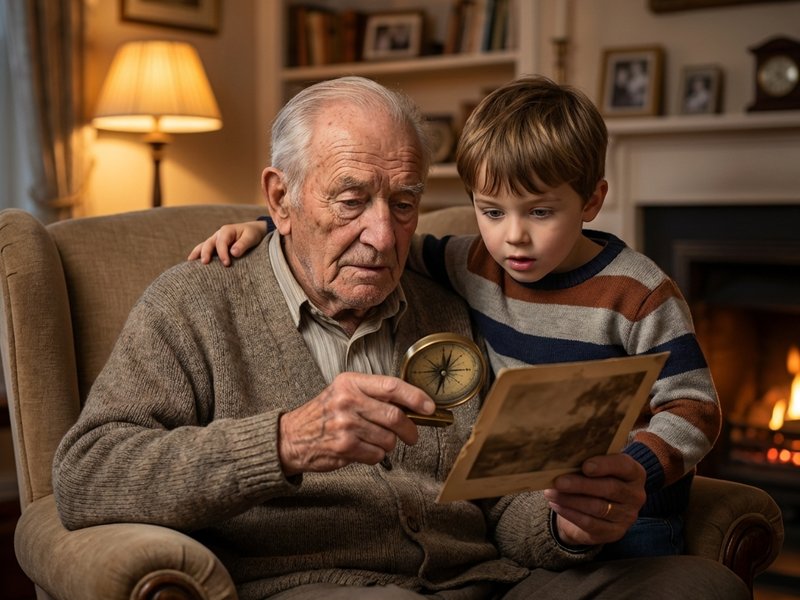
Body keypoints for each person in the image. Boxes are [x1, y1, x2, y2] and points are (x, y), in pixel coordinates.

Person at [53, 76, 747, 600]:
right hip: (323, 585)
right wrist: (285, 441)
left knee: (697, 587)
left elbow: (502, 500)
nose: (384, 237)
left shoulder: (454, 295)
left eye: (406, 203)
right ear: (279, 199)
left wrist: (566, 524)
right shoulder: (196, 302)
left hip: (489, 579)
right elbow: (86, 474)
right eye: (351, 200)